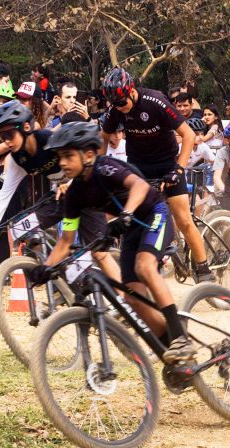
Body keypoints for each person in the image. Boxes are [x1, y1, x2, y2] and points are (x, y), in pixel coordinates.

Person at [31, 122, 195, 363]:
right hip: (129, 228)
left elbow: (139, 185)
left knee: (145, 266)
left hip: (153, 213)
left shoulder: (105, 168)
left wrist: (127, 213)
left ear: (88, 154)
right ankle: (171, 348)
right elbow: (65, 241)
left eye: (67, 156)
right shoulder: (74, 194)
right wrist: (46, 268)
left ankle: (182, 338)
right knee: (132, 296)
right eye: (59, 157)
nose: (62, 163)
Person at [100, 67, 214, 283]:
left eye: (122, 103)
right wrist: (99, 168)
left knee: (183, 219)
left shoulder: (156, 101)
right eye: (115, 105)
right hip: (138, 168)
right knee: (128, 215)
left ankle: (204, 268)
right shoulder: (116, 109)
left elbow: (188, 135)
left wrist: (178, 169)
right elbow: (103, 139)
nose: (120, 109)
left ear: (132, 91)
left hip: (167, 164)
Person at [0, 102, 106, 271]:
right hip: (61, 197)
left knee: (97, 252)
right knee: (21, 227)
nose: (6, 142)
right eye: (2, 137)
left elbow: (84, 163)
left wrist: (69, 183)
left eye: (9, 134)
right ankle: (56, 266)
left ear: (26, 126)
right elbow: (4, 195)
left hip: (87, 192)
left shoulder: (49, 139)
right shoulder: (19, 158)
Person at [212, 123, 230, 195]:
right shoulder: (222, 152)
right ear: (227, 140)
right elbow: (216, 177)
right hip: (224, 191)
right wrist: (226, 190)